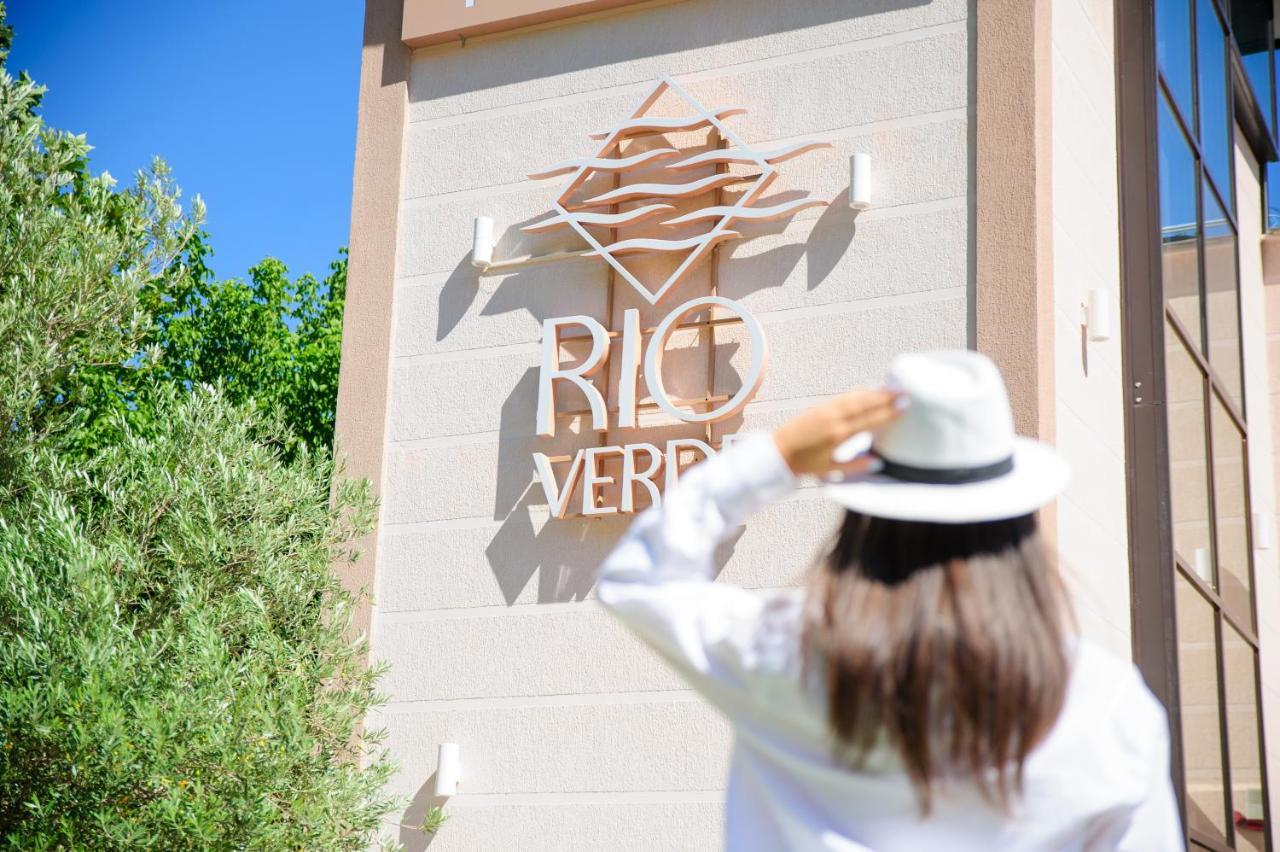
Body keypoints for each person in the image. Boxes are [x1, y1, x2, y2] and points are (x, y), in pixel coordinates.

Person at [597, 350, 1181, 851]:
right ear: (1018, 522)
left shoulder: (782, 654)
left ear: (864, 519)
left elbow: (639, 579)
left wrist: (776, 458)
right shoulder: (1104, 704)